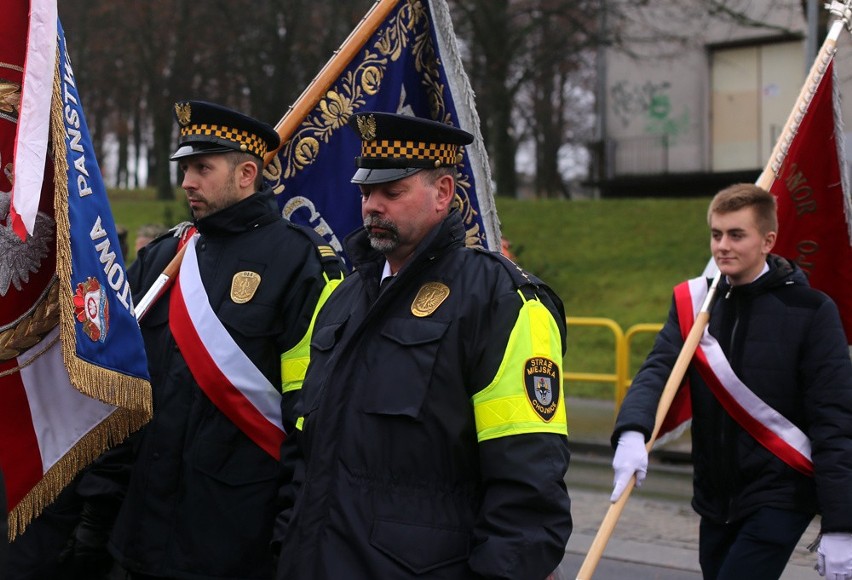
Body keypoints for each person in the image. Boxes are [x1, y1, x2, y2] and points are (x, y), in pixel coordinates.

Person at [273, 112, 572, 579]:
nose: (372, 205)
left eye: (392, 192)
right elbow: (305, 455)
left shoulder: (498, 299)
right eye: (366, 192)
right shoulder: (343, 299)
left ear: (444, 193)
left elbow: (528, 490)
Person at [63, 100, 345, 579]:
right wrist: (96, 512)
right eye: (185, 167)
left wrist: (288, 537)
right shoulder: (163, 260)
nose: (187, 181)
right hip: (135, 536)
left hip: (231, 543)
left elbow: (311, 421)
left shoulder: (300, 266)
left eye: (202, 168)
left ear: (246, 173)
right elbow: (121, 391)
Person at [610, 183, 852, 580]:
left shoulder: (811, 311)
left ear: (767, 240)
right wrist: (632, 431)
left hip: (781, 493)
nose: (722, 245)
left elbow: (835, 420)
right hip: (714, 497)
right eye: (716, 234)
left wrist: (842, 523)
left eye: (736, 235)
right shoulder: (697, 305)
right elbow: (659, 368)